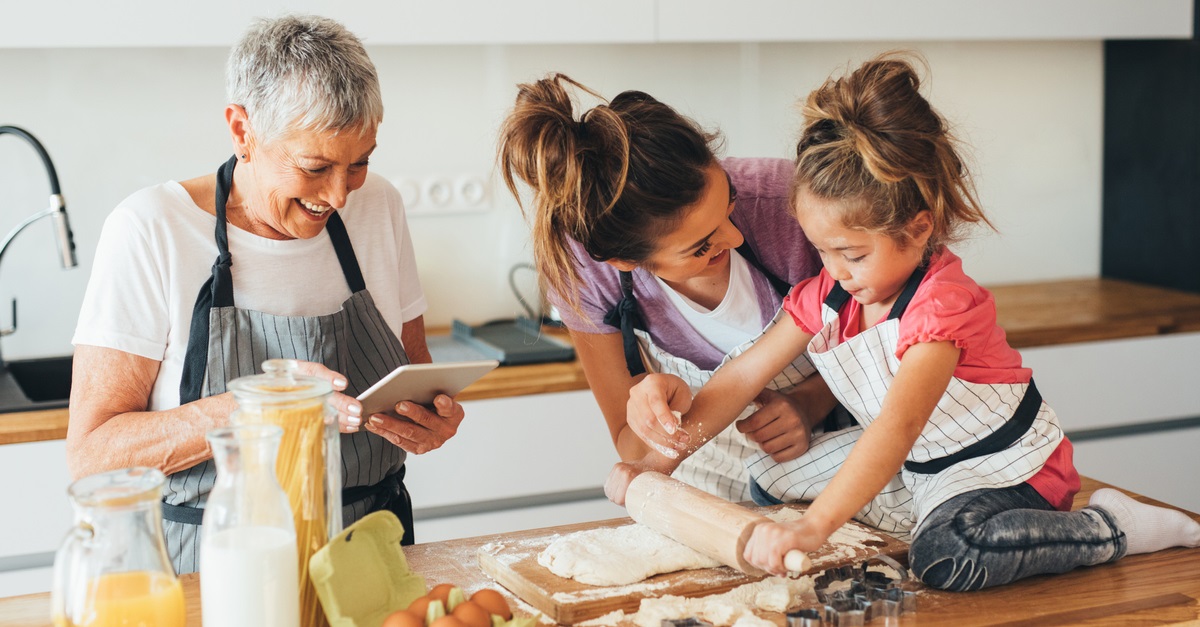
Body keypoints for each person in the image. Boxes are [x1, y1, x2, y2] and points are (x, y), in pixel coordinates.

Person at [608, 53, 1200, 589]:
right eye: (822, 251)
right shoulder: (833, 292)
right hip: (920, 467)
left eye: (853, 253)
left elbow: (895, 429)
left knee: (945, 554)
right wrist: (652, 465)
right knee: (767, 475)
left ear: (918, 227)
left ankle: (1111, 526)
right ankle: (914, 514)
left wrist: (813, 530)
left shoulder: (940, 306)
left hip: (1002, 469)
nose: (835, 271)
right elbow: (739, 378)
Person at [67, 15, 464, 573]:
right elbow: (93, 457)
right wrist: (258, 407)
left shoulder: (379, 207)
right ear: (241, 129)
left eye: (359, 164)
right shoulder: (151, 229)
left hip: (371, 558)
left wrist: (427, 420)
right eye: (314, 166)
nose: (339, 196)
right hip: (211, 565)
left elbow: (413, 368)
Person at [497, 74, 844, 503]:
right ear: (627, 262)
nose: (734, 240)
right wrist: (659, 425)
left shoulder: (792, 203)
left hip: (839, 468)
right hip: (705, 490)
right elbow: (634, 440)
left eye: (729, 203)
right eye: (702, 247)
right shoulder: (585, 269)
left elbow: (893, 333)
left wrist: (810, 403)